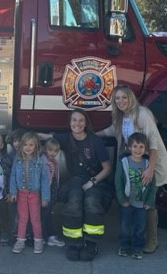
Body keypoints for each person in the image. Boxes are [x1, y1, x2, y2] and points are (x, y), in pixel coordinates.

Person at [98, 85, 167, 254]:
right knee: (133, 201)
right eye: (117, 99)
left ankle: (152, 240)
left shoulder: (142, 114)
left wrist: (150, 168)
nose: (121, 101)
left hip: (149, 162)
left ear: (131, 98)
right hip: (132, 164)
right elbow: (111, 131)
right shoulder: (121, 117)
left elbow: (153, 142)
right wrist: (91, 134)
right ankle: (133, 237)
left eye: (124, 97)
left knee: (148, 203)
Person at [40, 109, 113, 261]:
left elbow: (107, 168)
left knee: (91, 202)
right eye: (74, 120)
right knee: (74, 201)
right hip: (75, 180)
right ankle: (72, 242)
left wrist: (92, 182)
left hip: (95, 180)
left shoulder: (95, 141)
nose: (77, 124)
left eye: (80, 120)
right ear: (70, 122)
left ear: (86, 123)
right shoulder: (66, 138)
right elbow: (47, 137)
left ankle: (92, 243)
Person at [115, 132, 157, 260]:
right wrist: (122, 199)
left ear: (145, 149)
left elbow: (152, 185)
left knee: (140, 228)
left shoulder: (147, 164)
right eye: (135, 146)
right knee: (125, 227)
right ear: (129, 147)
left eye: (141, 147)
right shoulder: (124, 162)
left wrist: (149, 201)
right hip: (127, 202)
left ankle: (138, 248)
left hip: (142, 204)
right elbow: (118, 181)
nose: (138, 150)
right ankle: (124, 246)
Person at [8, 132, 50, 254]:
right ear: (21, 146)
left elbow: (44, 179)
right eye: (25, 144)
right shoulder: (18, 160)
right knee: (23, 218)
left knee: (35, 218)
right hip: (21, 194)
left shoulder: (39, 161)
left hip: (35, 194)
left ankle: (38, 240)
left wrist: (45, 197)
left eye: (31, 145)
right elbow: (13, 176)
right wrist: (13, 192)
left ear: (36, 146)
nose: (28, 147)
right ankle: (20, 240)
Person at [40, 137, 65, 248]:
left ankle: (45, 236)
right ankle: (47, 236)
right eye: (50, 150)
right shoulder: (41, 161)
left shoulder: (54, 162)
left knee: (47, 214)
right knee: (43, 215)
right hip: (43, 193)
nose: (53, 153)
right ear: (45, 149)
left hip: (52, 191)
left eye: (55, 151)